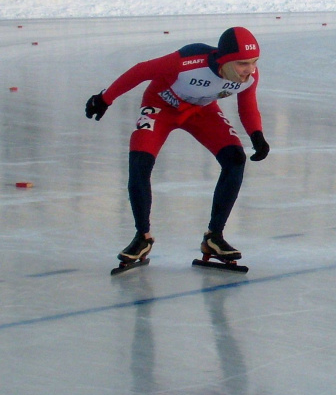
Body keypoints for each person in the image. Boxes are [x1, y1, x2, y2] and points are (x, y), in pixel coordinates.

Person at [85, 27, 270, 265]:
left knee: (235, 159)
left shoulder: (250, 78)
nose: (251, 70)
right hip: (161, 106)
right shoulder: (186, 62)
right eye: (244, 63)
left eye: (254, 62)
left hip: (201, 112)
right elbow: (141, 71)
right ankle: (142, 236)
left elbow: (247, 107)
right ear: (225, 61)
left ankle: (215, 237)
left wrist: (257, 135)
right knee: (140, 161)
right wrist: (105, 98)